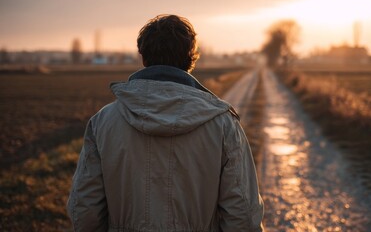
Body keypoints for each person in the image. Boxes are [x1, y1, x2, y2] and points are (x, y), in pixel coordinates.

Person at [67, 14, 264, 231]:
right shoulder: (223, 124)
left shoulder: (103, 122)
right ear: (191, 58)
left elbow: (85, 210)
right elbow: (243, 215)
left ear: (143, 56)